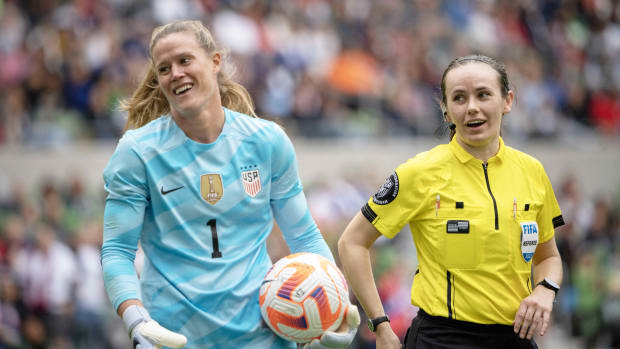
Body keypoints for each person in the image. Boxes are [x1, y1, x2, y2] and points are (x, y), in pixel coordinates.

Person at [101, 20, 359, 349]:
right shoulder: (137, 152)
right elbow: (117, 251)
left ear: (215, 61)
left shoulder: (267, 142)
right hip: (173, 336)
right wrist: (135, 319)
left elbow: (304, 236)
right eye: (163, 68)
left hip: (262, 335)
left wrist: (334, 306)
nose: (175, 73)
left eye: (184, 60)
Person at [338, 54, 564, 349]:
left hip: (516, 339)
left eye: (483, 94)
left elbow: (548, 256)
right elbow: (352, 242)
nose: (472, 107)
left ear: (507, 101)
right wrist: (380, 325)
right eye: (459, 98)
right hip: (441, 340)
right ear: (446, 111)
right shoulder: (419, 172)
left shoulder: (532, 171)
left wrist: (546, 289)